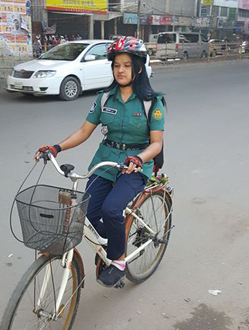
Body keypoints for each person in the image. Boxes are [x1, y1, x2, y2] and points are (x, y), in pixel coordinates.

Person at [34, 36, 165, 287]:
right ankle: (115, 239)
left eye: (127, 65)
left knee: (111, 210)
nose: (121, 70)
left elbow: (156, 143)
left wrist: (139, 158)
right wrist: (56, 147)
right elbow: (84, 131)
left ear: (138, 67)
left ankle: (118, 259)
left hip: (136, 165)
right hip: (105, 162)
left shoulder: (152, 102)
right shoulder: (105, 98)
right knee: (86, 214)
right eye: (116, 65)